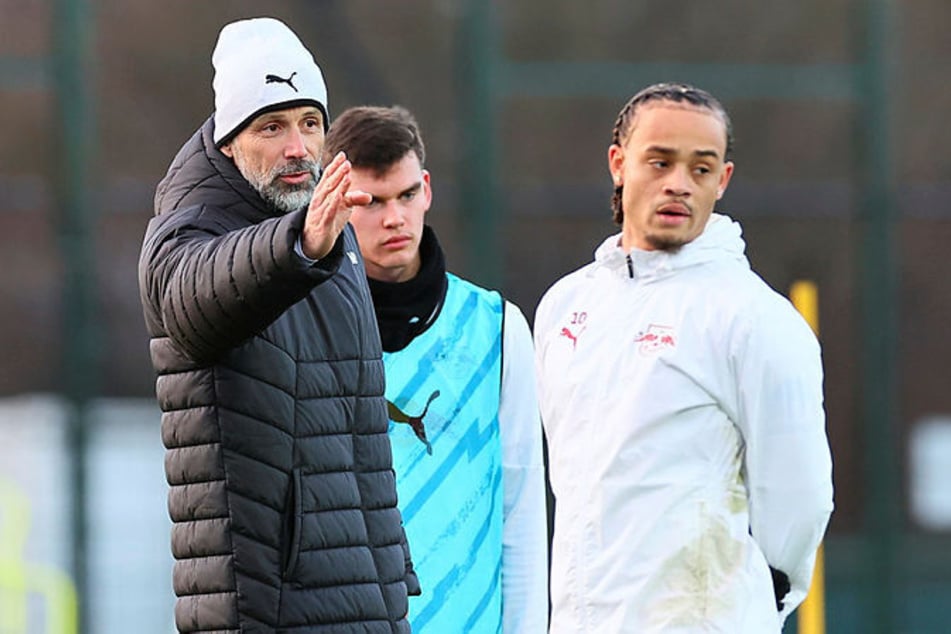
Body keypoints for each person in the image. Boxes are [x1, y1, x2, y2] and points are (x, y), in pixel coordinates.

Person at [138, 18, 418, 633]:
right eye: (272, 126)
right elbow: (195, 300)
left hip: (364, 594)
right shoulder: (190, 227)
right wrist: (301, 242)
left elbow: (357, 434)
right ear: (230, 140)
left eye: (310, 123)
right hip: (267, 606)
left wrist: (392, 567)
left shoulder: (324, 231)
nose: (298, 147)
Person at [533, 82, 834, 633]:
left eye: (700, 168)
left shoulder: (754, 318)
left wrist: (749, 600)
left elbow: (800, 497)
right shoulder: (565, 305)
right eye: (660, 161)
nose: (679, 184)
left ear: (723, 180)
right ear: (618, 164)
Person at [322, 105, 549, 633]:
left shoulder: (497, 328)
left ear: (426, 188)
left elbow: (521, 508)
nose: (394, 217)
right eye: (371, 202)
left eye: (405, 195)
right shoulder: (301, 327)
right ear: (334, 201)